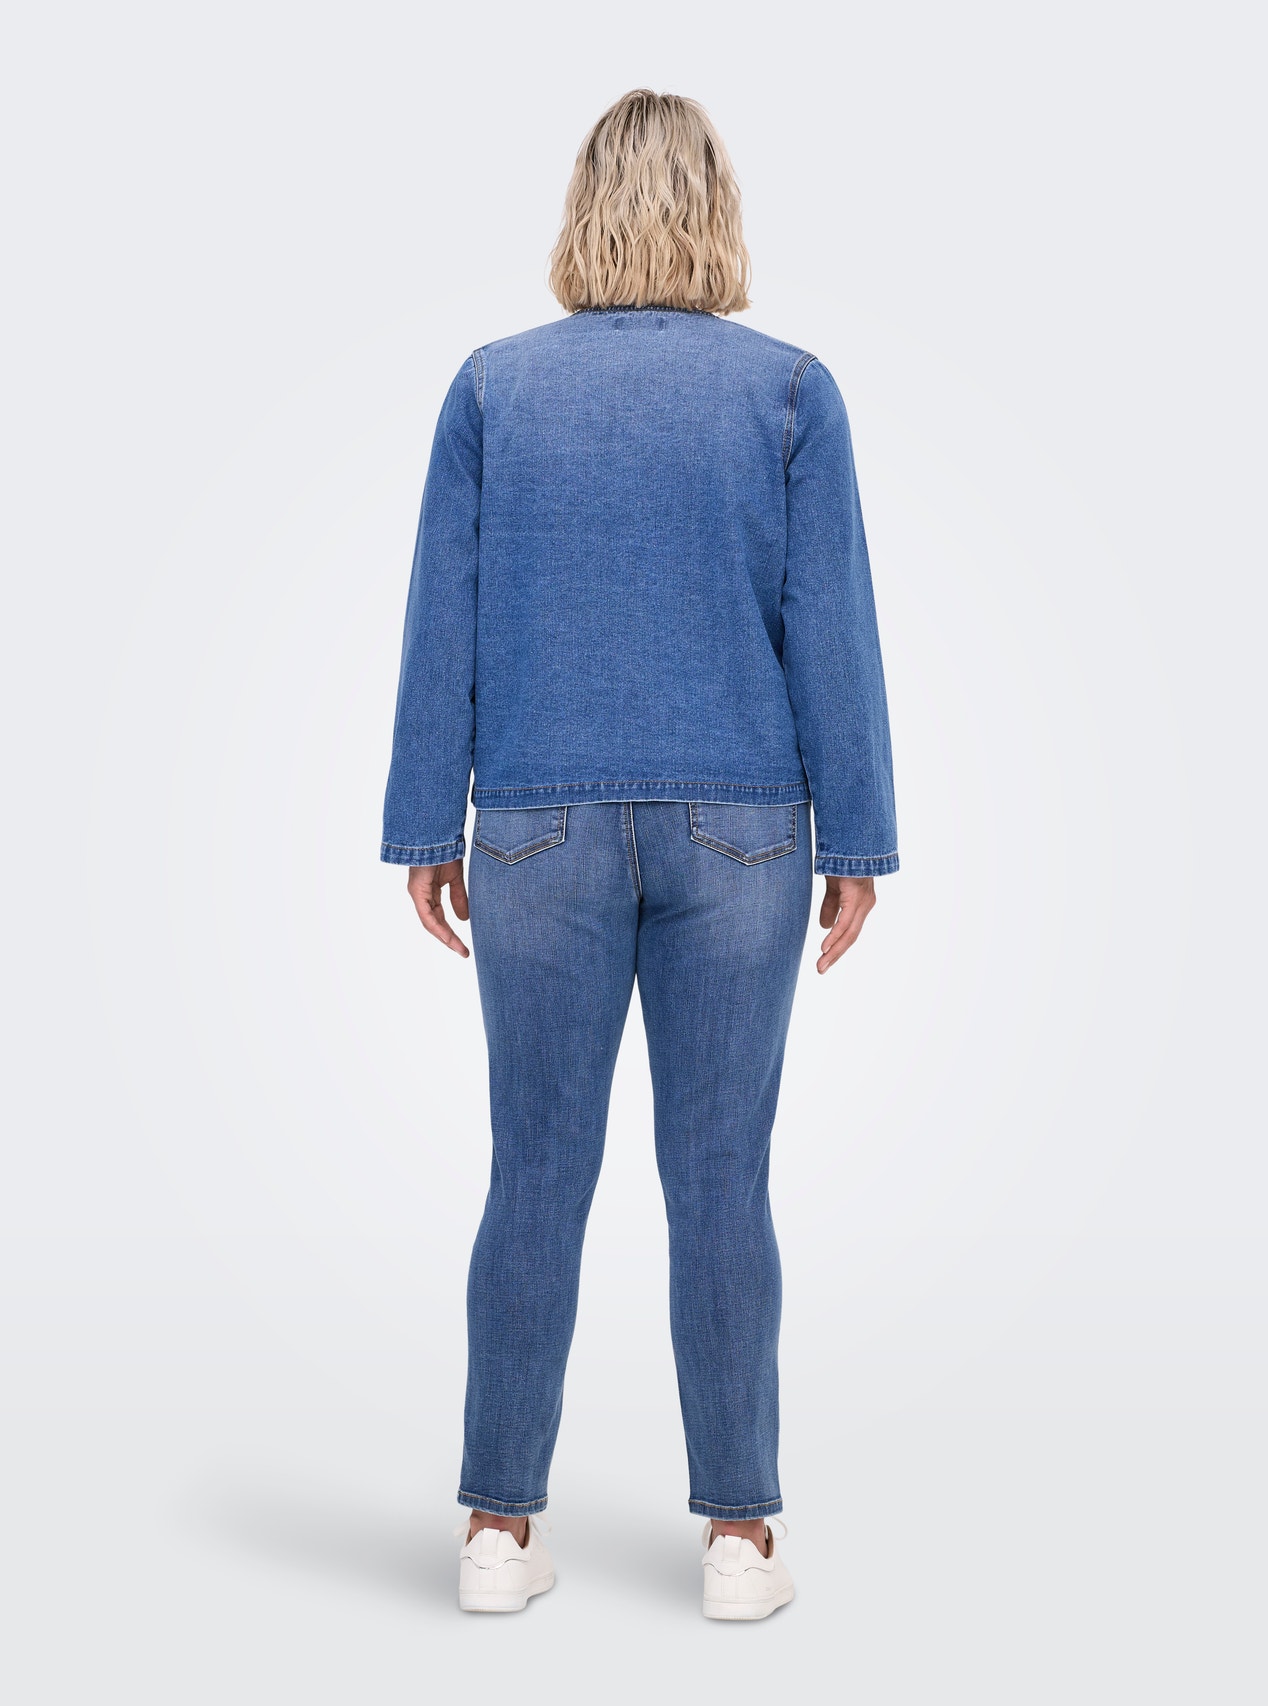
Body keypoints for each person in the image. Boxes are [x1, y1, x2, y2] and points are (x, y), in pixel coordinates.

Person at [381, 88, 898, 1620]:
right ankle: (739, 1541)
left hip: (533, 820)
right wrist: (858, 835)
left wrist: (425, 822)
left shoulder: (493, 389)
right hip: (745, 825)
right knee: (721, 1175)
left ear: (583, 208)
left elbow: (446, 615)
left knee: (534, 1168)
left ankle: (495, 1529)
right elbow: (832, 627)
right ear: (716, 208)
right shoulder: (789, 391)